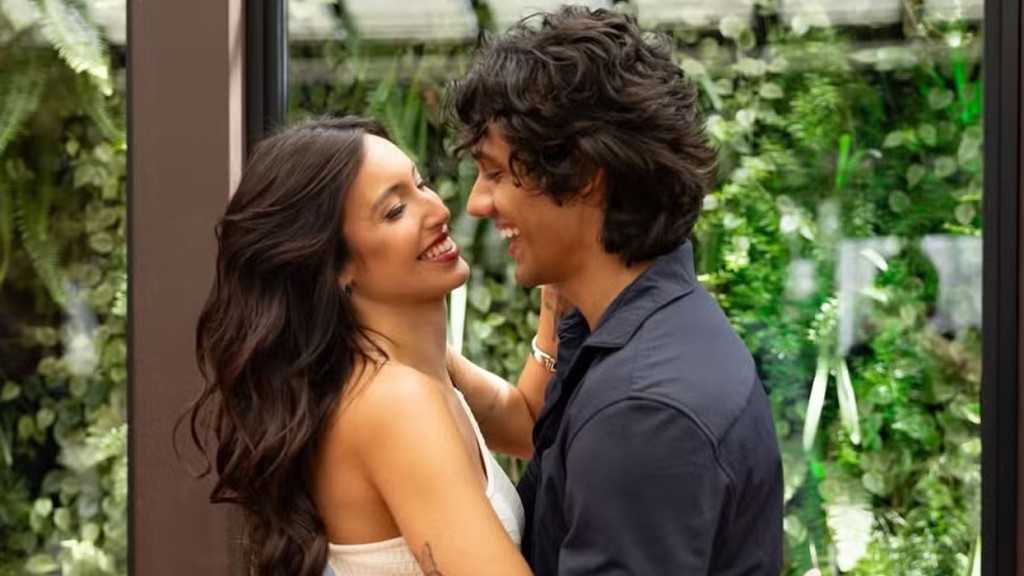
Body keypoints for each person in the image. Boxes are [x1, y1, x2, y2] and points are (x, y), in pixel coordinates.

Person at [446, 6, 785, 575]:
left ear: (583, 175)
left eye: (497, 173)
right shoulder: (630, 329)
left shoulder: (642, 412)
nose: (477, 204)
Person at [184, 116, 558, 576]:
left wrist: (558, 276)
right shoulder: (396, 400)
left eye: (421, 184)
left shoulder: (415, 367)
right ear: (335, 266)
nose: (438, 210)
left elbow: (528, 423)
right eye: (395, 210)